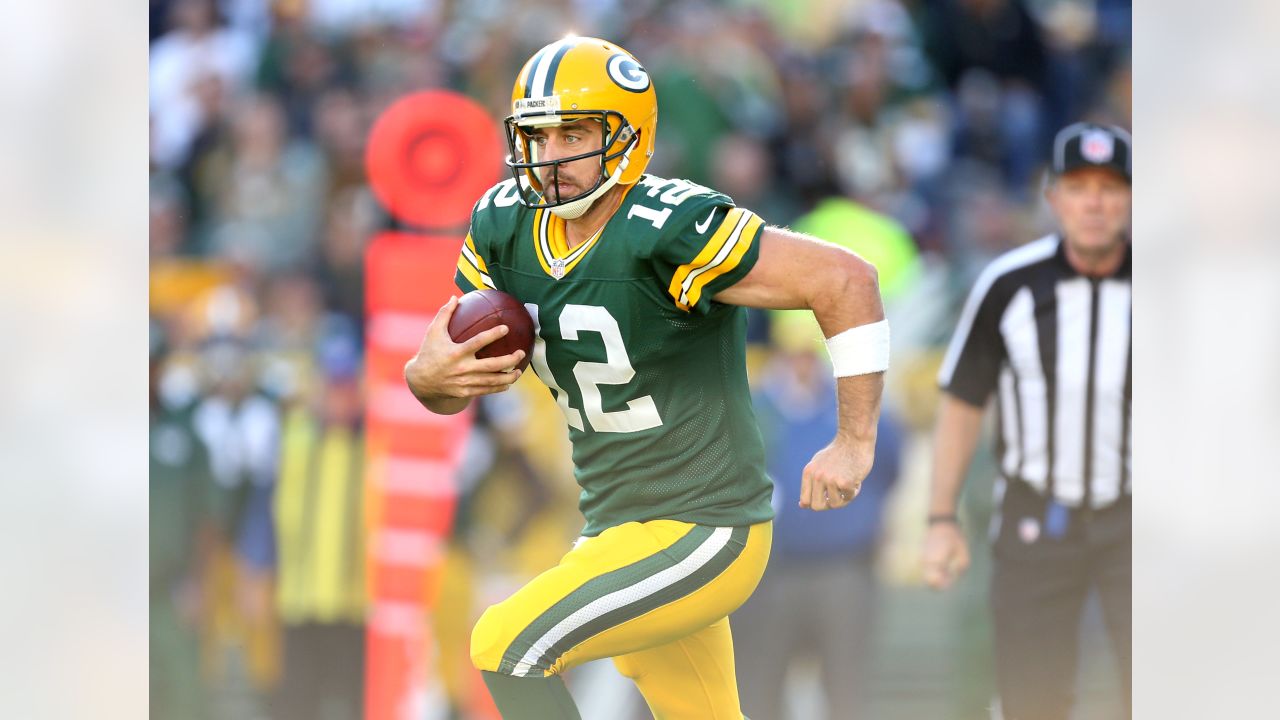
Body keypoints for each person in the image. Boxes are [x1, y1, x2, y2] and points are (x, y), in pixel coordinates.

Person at [404, 36, 888, 720]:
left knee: (504, 645)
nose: (550, 156)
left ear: (628, 138)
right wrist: (424, 376)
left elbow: (847, 279)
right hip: (616, 526)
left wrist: (854, 440)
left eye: (573, 133)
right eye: (536, 135)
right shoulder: (501, 225)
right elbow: (451, 385)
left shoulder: (669, 226)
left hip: (703, 526)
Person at [922, 122, 1132, 720]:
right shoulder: (1008, 285)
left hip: (1140, 520)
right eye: (1080, 186)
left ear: (1133, 199)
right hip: (1037, 516)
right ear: (1053, 197)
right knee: (1031, 700)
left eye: (1111, 187)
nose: (1095, 202)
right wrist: (941, 519)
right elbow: (963, 402)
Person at [732, 334, 905, 720]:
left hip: (842, 567)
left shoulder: (853, 410)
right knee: (758, 687)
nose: (802, 364)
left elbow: (889, 465)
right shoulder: (754, 410)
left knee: (847, 687)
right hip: (769, 573)